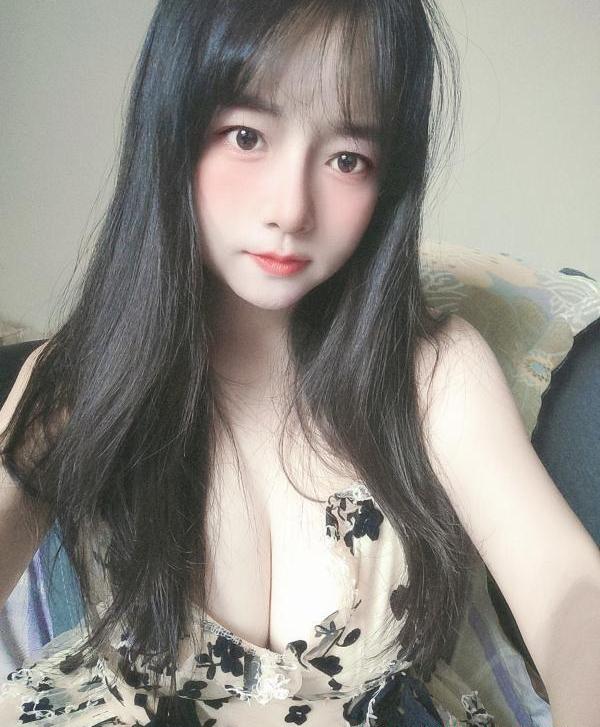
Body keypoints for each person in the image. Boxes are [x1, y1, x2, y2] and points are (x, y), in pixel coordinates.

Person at [1, 1, 599, 725]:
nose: (291, 209)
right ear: (172, 129)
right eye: (246, 136)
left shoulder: (436, 374)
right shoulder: (80, 377)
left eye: (348, 159)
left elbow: (569, 591)